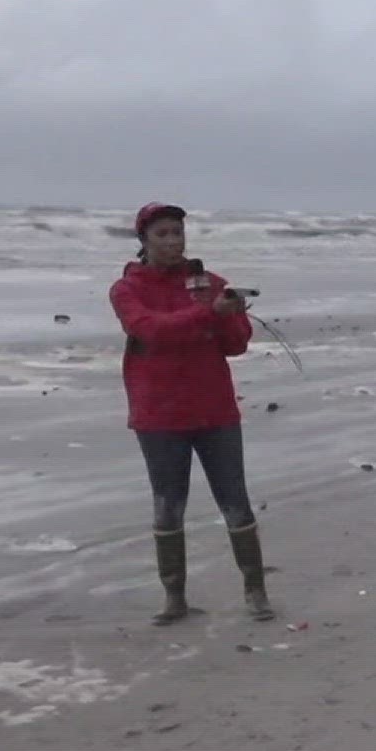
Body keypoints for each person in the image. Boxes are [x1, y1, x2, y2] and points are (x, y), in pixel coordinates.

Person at [109, 202, 277, 624]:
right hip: (159, 415)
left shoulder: (209, 283)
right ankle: (175, 597)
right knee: (168, 506)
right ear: (144, 241)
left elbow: (236, 345)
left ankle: (256, 591)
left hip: (215, 411)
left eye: (177, 233)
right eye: (162, 234)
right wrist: (208, 312)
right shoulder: (126, 289)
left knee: (235, 501)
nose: (172, 241)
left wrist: (232, 314)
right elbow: (147, 330)